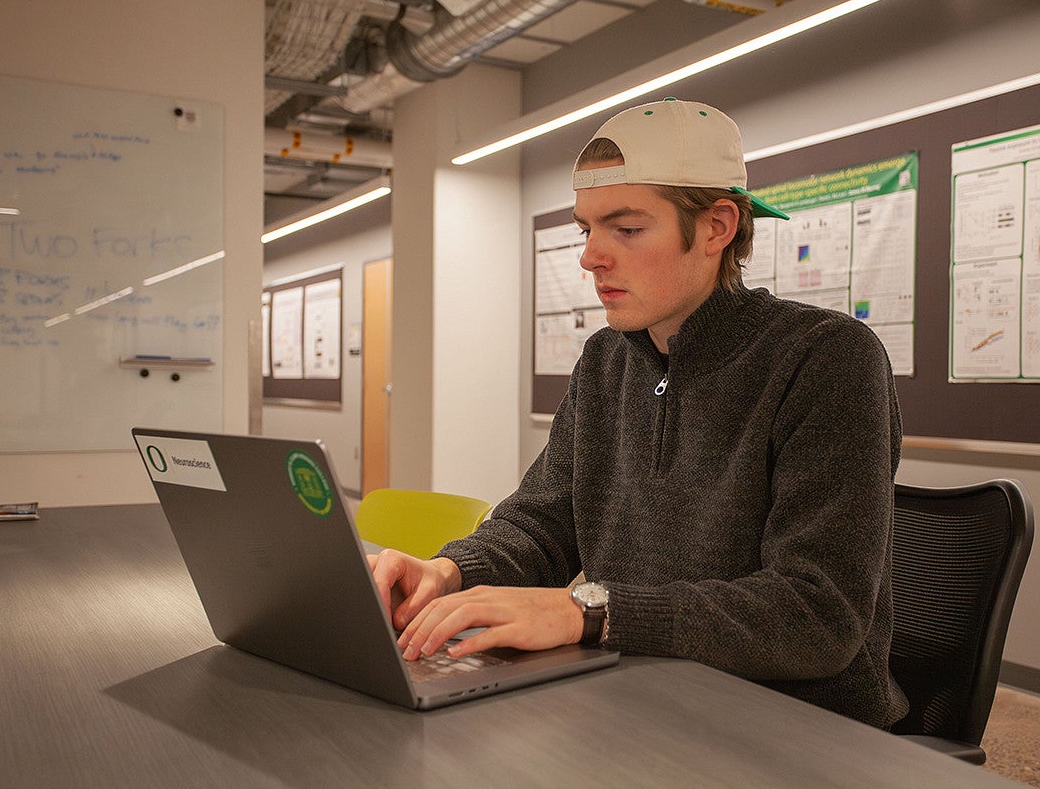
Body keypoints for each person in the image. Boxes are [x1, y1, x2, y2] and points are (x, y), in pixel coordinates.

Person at [369, 97, 909, 728]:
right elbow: (543, 524)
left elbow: (817, 613)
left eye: (625, 230)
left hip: (793, 724)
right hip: (636, 696)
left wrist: (587, 612)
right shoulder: (607, 360)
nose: (590, 256)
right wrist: (448, 570)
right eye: (586, 229)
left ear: (716, 227)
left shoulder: (826, 357)